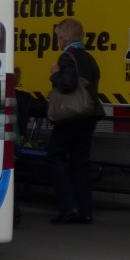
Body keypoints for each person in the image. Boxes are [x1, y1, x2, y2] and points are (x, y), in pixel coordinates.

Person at [47, 18, 103, 225]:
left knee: (55, 155)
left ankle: (68, 207)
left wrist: (54, 74)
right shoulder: (89, 58)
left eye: (59, 38)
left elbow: (68, 84)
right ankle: (85, 211)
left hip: (71, 116)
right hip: (90, 114)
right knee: (81, 162)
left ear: (63, 39)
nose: (58, 42)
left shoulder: (67, 57)